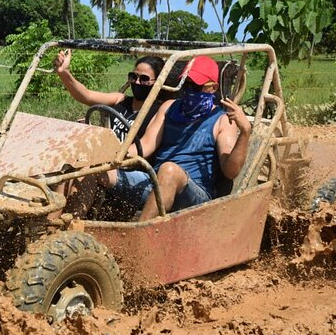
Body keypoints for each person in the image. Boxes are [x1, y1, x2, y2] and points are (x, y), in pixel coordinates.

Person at [64, 55, 251, 222]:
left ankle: (139, 239)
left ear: (213, 88)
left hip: (195, 197)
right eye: (185, 84)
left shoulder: (222, 120)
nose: (189, 90)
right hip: (156, 184)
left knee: (169, 170)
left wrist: (245, 132)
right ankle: (68, 228)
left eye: (195, 86)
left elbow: (231, 171)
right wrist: (105, 155)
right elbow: (145, 145)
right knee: (93, 167)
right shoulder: (170, 106)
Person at [54, 49, 165, 141]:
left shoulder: (158, 111)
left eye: (144, 79)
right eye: (134, 76)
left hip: (129, 164)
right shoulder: (120, 99)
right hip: (105, 157)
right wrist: (63, 72)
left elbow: (146, 146)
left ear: (158, 82)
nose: (137, 82)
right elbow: (85, 95)